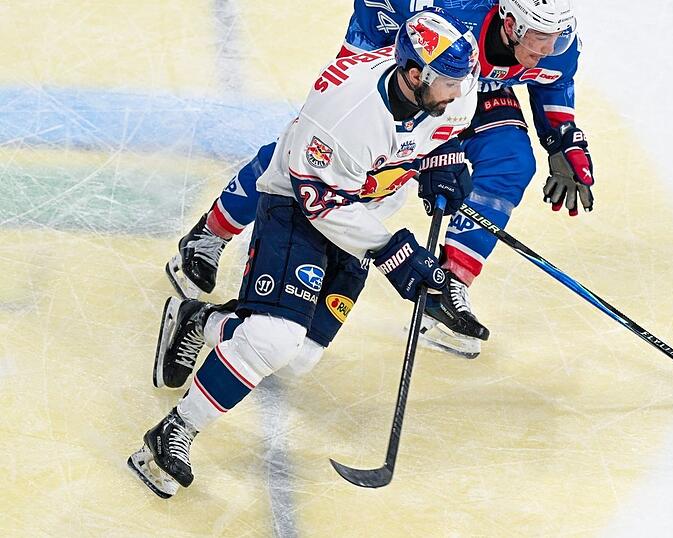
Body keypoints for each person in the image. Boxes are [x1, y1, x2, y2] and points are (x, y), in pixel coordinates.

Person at [129, 8, 480, 498]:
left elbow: (445, 133)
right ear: (414, 74)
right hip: (299, 203)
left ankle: (199, 320)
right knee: (274, 340)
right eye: (449, 83)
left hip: (362, 208)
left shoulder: (452, 84)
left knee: (296, 359)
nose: (461, 91)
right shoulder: (344, 114)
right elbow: (324, 207)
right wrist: (394, 253)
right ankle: (172, 434)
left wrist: (444, 162)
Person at [166, 0, 594, 359]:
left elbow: (553, 80)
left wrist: (563, 143)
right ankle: (210, 234)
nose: (550, 46)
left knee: (512, 161)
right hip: (398, 54)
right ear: (510, 22)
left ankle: (444, 287)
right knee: (313, 149)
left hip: (465, 86)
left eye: (556, 35)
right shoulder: (452, 10)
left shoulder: (551, 44)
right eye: (539, 35)